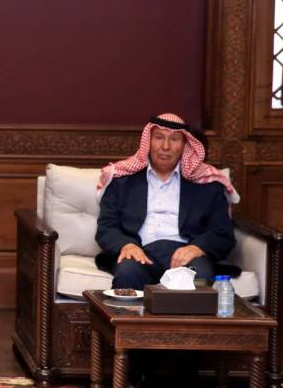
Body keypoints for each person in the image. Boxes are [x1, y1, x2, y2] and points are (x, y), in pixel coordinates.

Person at [94, 113, 239, 290]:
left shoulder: (207, 183)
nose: (165, 146)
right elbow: (107, 226)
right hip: (140, 253)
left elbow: (222, 232)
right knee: (127, 272)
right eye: (159, 137)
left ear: (184, 145)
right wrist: (127, 245)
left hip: (186, 255)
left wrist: (197, 248)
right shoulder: (122, 180)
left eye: (174, 139)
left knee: (200, 274)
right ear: (148, 141)